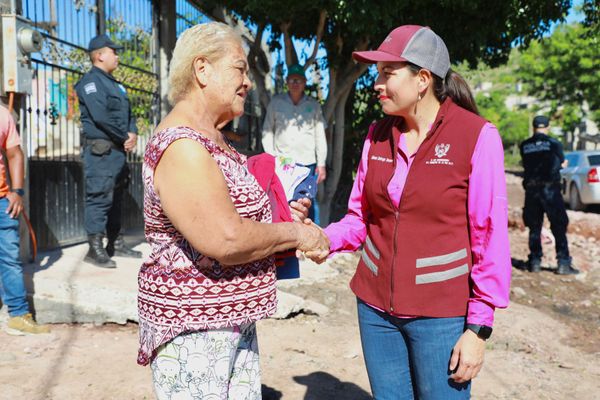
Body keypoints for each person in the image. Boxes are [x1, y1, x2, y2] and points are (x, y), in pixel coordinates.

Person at [309, 25, 512, 399]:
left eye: (388, 73)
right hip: (375, 312)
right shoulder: (377, 135)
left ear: (422, 79)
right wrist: (323, 237)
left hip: (440, 317)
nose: (378, 83)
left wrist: (478, 329)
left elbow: (489, 235)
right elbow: (360, 218)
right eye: (378, 74)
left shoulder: (476, 137)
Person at [136, 22, 329, 399]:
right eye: (240, 69)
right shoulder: (183, 146)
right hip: (195, 330)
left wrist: (285, 215)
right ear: (202, 70)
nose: (248, 81)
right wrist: (297, 234)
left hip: (228, 322)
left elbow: (240, 217)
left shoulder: (215, 139)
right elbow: (225, 237)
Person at [74, 34, 142, 269]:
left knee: (117, 200)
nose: (118, 56)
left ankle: (115, 243)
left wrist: (132, 132)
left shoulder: (116, 85)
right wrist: (124, 137)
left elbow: (129, 114)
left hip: (117, 153)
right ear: (100, 55)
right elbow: (101, 116)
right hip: (102, 153)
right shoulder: (90, 83)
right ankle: (94, 249)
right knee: (100, 199)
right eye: (114, 52)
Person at [0, 105, 49, 335]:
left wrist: (17, 192)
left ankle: (18, 315)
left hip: (2, 200)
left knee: (10, 257)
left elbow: (14, 153)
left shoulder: (2, 115)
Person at [261, 63, 327, 225]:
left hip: (307, 162)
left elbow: (320, 135)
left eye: (298, 80)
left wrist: (321, 163)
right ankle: (286, 239)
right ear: (287, 82)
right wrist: (272, 158)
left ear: (304, 82)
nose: (295, 83)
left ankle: (313, 235)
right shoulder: (276, 103)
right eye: (292, 80)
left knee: (308, 201)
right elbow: (267, 131)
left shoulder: (313, 105)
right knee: (283, 199)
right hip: (283, 162)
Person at [520, 115, 578, 275]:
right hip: (550, 190)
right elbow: (562, 163)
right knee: (559, 226)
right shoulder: (554, 143)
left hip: (532, 191)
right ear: (547, 127)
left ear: (533, 127)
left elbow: (526, 164)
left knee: (534, 227)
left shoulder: (524, 145)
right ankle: (563, 264)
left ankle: (535, 262)